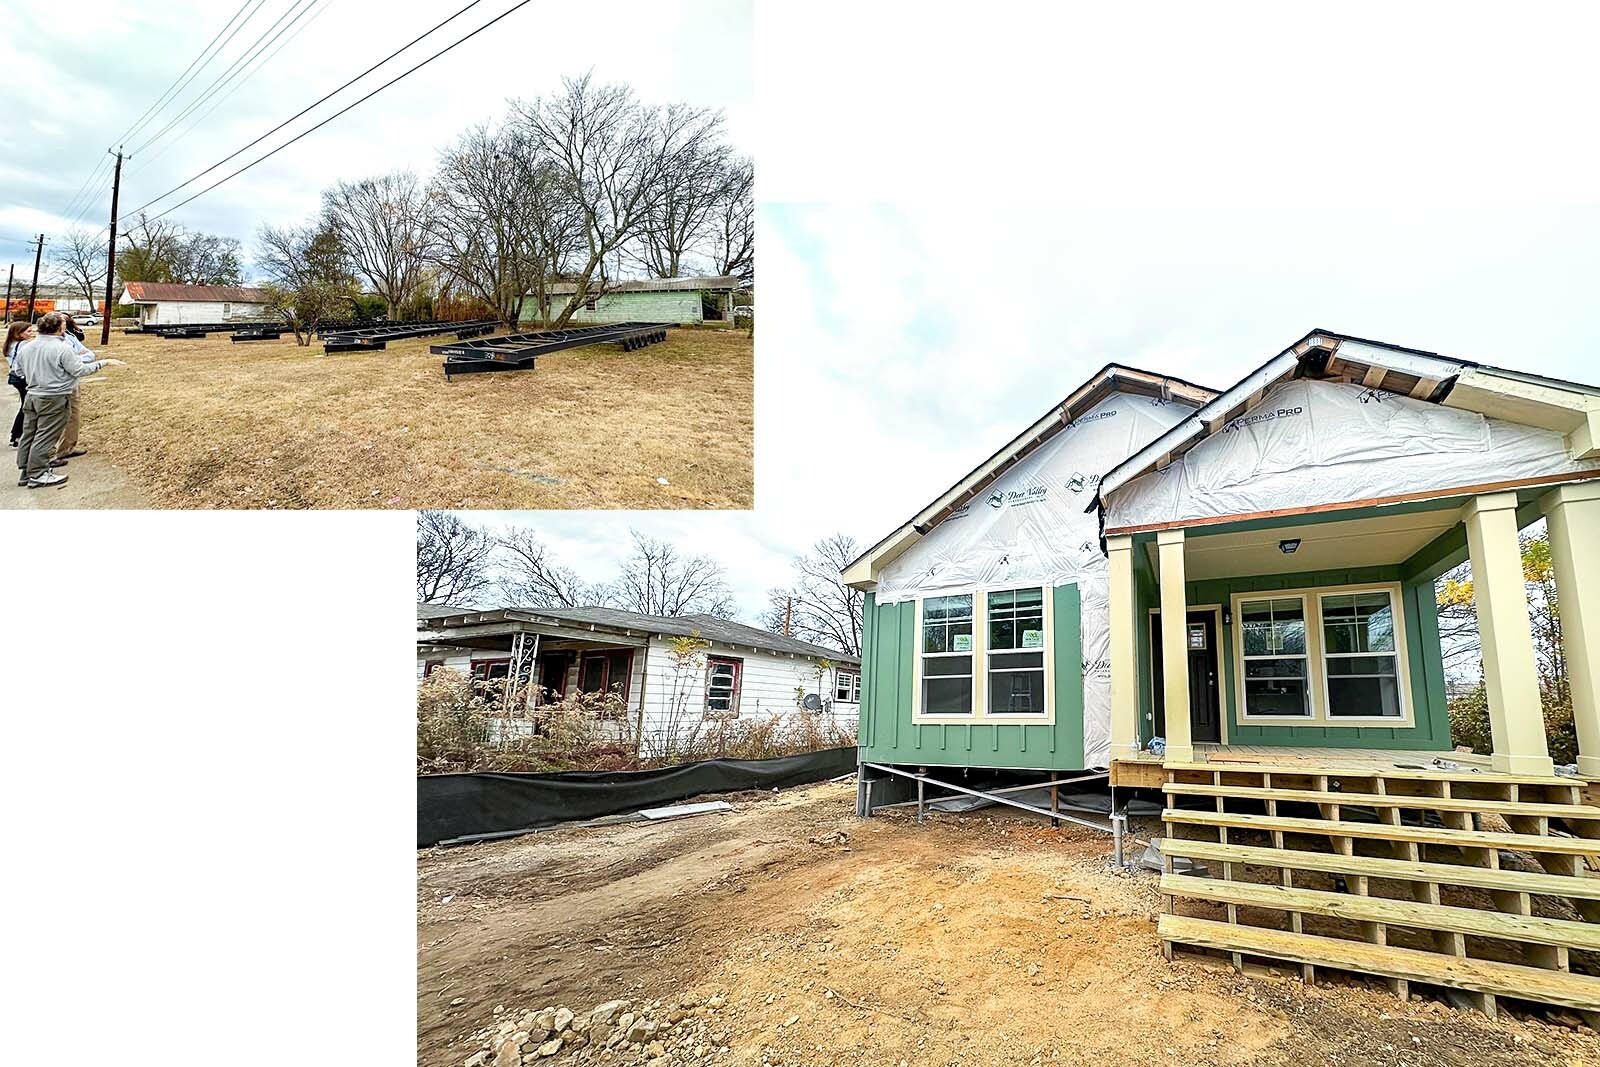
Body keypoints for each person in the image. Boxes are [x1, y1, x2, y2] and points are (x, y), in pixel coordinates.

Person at [14, 312, 124, 489]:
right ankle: (38, 474)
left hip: (32, 395)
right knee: (46, 436)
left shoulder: (26, 348)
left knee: (30, 434)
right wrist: (104, 362)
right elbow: (79, 370)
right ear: (60, 328)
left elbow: (18, 371)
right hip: (54, 397)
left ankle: (26, 471)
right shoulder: (62, 348)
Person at [53, 312, 94, 460]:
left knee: (73, 416)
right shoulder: (47, 344)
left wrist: (74, 359)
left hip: (71, 383)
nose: (65, 323)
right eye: (62, 322)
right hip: (54, 387)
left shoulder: (69, 338)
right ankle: (47, 456)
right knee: (54, 419)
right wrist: (73, 360)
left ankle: (67, 448)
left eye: (65, 321)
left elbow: (89, 354)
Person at [5, 319, 35, 447]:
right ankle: (18, 435)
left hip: (15, 377)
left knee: (24, 406)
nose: (32, 333)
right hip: (23, 378)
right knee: (26, 407)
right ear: (19, 333)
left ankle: (16, 434)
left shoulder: (10, 344)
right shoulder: (24, 345)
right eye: (28, 331)